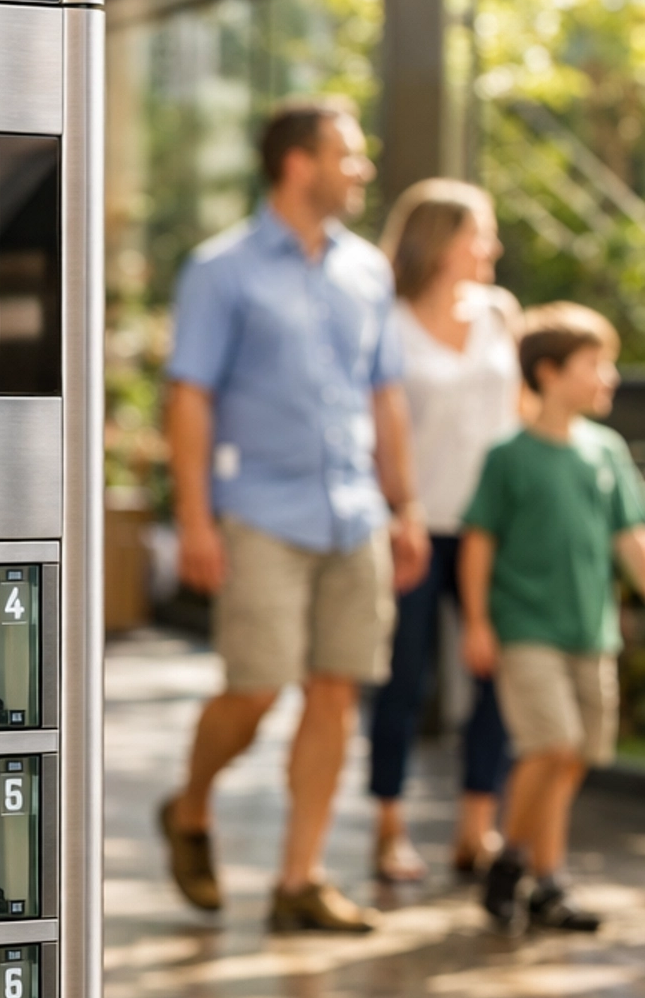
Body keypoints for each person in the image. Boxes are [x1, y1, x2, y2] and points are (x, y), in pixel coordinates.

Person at [158, 96, 429, 933]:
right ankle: (191, 807)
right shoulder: (221, 269)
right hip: (259, 512)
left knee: (336, 691)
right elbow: (191, 399)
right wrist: (196, 522)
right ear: (299, 163)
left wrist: (404, 502)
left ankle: (298, 880)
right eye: (348, 155)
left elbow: (384, 394)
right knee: (257, 687)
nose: (363, 170)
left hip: (352, 510)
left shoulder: (366, 271)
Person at [462, 304, 645, 932]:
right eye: (593, 364)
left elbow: (630, 540)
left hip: (589, 630)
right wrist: (480, 623)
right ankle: (511, 859)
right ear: (549, 371)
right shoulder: (509, 456)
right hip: (525, 628)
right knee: (552, 742)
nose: (608, 377)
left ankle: (546, 879)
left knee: (574, 759)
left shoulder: (607, 450)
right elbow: (479, 542)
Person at [368, 181, 520, 883]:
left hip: (494, 529)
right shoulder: (388, 320)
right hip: (419, 528)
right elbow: (377, 429)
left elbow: (519, 414)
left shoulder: (499, 313)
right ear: (438, 241)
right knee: (404, 678)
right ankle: (389, 826)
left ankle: (476, 829)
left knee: (500, 678)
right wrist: (398, 513)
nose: (491, 247)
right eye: (478, 234)